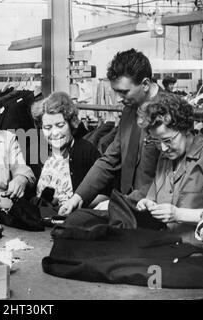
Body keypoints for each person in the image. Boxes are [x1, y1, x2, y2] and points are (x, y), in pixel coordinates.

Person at [60, 48, 161, 215]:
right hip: (127, 210)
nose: (119, 99)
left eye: (124, 91)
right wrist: (78, 197)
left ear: (145, 84)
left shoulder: (169, 111)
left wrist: (122, 204)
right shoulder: (129, 110)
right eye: (116, 92)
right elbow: (110, 159)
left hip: (155, 209)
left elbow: (167, 177)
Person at [136, 93, 203, 245]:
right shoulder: (166, 158)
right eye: (157, 142)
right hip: (167, 248)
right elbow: (153, 196)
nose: (163, 148)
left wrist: (179, 214)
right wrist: (147, 203)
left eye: (167, 140)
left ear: (185, 128)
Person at [31, 91, 105, 213]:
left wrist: (76, 202)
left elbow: (106, 194)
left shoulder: (87, 151)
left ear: (71, 123)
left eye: (60, 125)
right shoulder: (35, 152)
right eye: (48, 128)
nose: (54, 132)